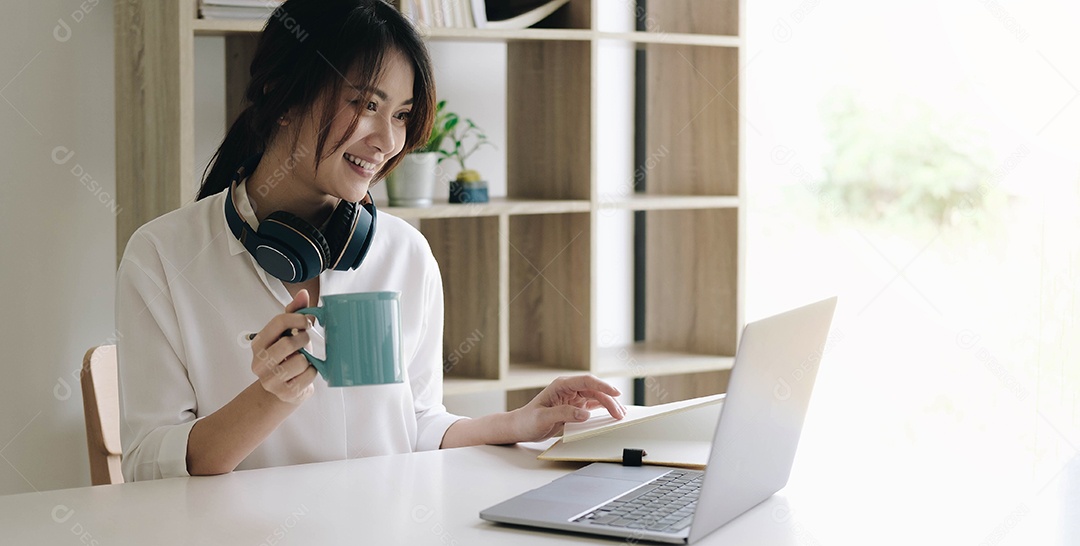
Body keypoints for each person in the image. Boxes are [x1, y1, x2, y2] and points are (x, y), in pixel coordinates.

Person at [116, 0, 624, 482]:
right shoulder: (163, 256)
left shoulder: (404, 254)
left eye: (401, 114)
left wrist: (518, 423)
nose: (387, 139)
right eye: (365, 104)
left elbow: (416, 423)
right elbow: (147, 466)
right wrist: (270, 398)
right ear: (281, 95)